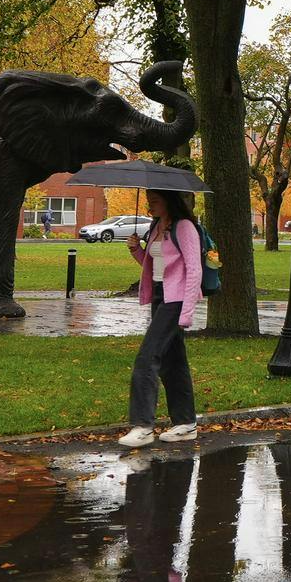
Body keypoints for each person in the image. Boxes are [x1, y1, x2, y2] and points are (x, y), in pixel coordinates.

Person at [120, 189, 202, 448]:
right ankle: (186, 423)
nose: (150, 205)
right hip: (159, 296)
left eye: (154, 200)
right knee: (172, 362)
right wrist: (137, 250)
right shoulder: (157, 227)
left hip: (175, 300)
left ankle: (142, 426)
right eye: (148, 201)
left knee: (147, 358)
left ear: (169, 199)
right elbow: (154, 264)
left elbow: (194, 269)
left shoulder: (185, 227)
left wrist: (187, 311)